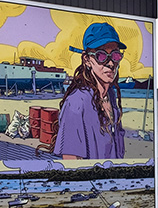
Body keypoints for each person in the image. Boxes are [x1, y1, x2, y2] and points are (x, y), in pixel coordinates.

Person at [54, 22, 126, 160]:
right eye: (101, 56)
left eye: (116, 55)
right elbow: (70, 160)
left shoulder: (111, 97)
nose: (111, 63)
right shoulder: (76, 102)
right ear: (87, 60)